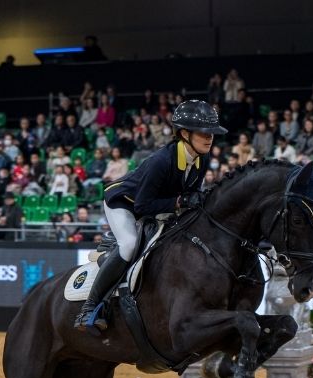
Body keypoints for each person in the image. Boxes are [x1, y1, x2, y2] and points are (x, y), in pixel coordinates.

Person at [73, 99, 227, 333]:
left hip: (157, 205)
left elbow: (192, 191)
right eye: (204, 132)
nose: (210, 138)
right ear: (185, 133)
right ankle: (89, 308)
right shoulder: (161, 161)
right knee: (129, 244)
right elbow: (144, 205)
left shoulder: (202, 158)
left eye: (212, 133)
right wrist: (179, 201)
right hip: (124, 203)